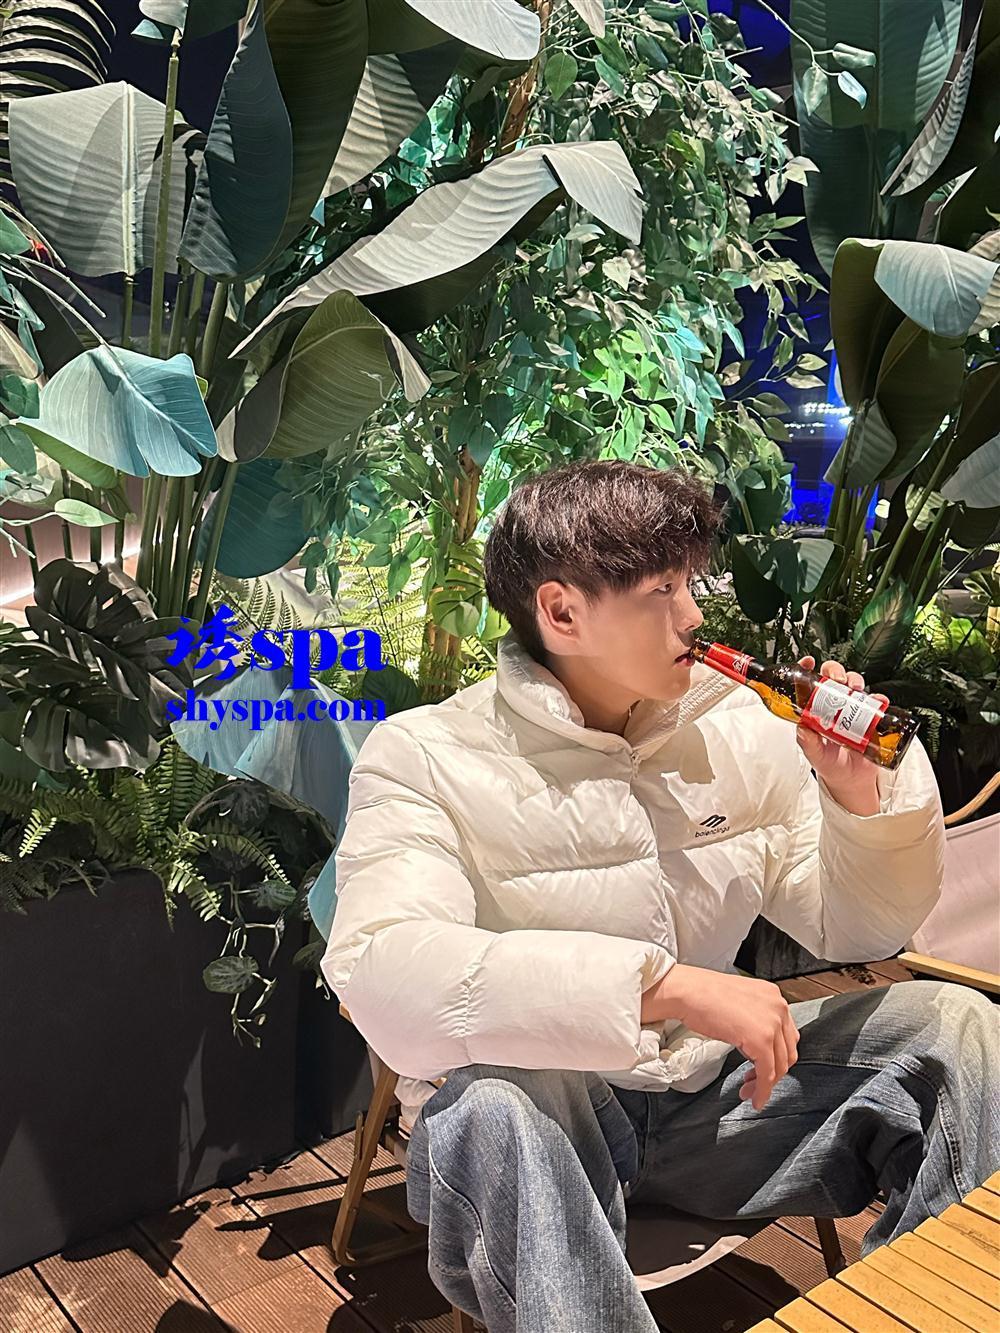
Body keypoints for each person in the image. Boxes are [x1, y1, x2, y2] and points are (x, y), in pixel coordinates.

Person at [321, 460, 999, 1332]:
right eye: (662, 591)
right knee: (487, 1106)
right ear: (562, 612)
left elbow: (859, 924)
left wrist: (855, 799)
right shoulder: (425, 755)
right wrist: (663, 986)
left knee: (957, 1029)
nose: (694, 615)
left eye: (691, 583)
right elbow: (382, 969)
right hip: (556, 1133)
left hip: (717, 1103)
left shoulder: (738, 729)